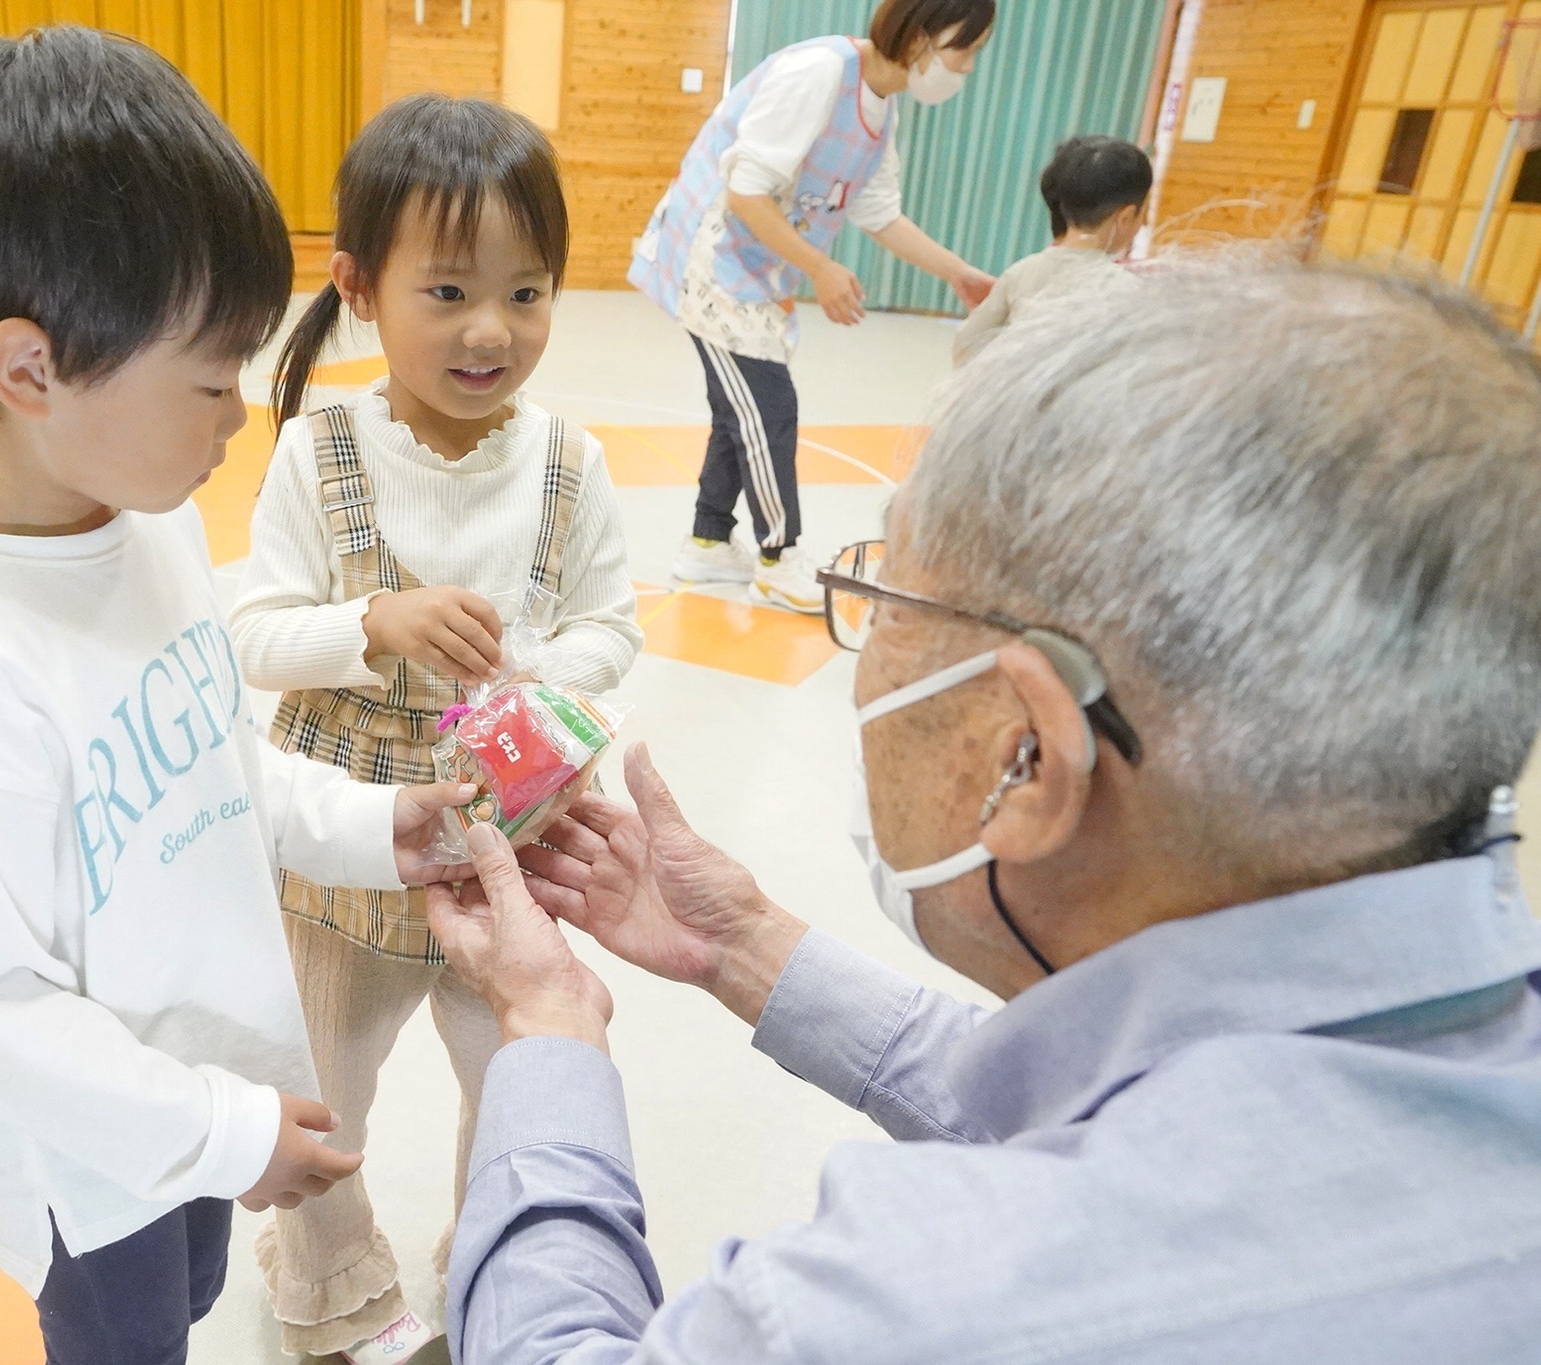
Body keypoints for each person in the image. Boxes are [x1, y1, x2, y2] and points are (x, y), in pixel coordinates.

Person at [428, 259, 1541, 1361]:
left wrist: (548, 1028)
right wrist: (744, 944)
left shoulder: (903, 1313)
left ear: (1031, 754)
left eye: (886, 600)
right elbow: (1118, 1101)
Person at [0, 30, 477, 1365]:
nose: (238, 415)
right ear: (30, 370)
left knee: (187, 1303)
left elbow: (219, 761)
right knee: (128, 1342)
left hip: (216, 1087)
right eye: (209, 377)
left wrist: (375, 825)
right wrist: (216, 1133)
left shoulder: (152, 526)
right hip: (94, 1160)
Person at [231, 94, 641, 1363]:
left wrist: (537, 674)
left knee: (514, 1079)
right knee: (326, 1088)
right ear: (358, 286)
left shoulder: (567, 463)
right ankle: (332, 1286)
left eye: (525, 293)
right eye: (449, 291)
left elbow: (612, 627)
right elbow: (251, 634)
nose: (489, 330)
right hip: (343, 842)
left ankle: (495, 1270)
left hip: (510, 840)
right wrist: (373, 622)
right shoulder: (320, 452)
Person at [632, 0, 1000, 614]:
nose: (968, 67)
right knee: (768, 409)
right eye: (967, 50)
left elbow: (878, 212)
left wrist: (957, 273)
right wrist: (821, 268)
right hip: (714, 260)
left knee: (742, 412)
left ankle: (707, 542)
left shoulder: (882, 108)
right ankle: (778, 558)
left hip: (760, 272)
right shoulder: (819, 72)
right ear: (922, 37)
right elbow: (745, 193)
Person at [954, 134, 1152, 366]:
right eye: (1144, 212)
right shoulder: (1130, 290)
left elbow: (966, 345)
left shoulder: (1021, 272)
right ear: (1126, 217)